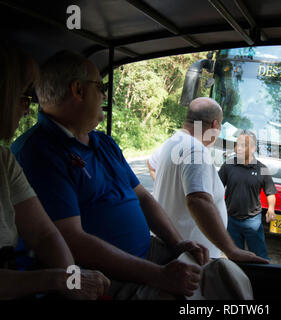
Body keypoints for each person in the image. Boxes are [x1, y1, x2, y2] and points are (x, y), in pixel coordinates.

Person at [11, 51, 209, 300]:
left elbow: (143, 198)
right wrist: (159, 275)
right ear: (78, 90)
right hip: (105, 276)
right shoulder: (38, 153)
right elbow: (72, 240)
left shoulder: (103, 142)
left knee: (219, 276)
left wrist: (177, 243)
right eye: (100, 86)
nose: (105, 94)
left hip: (148, 255)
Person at [0, 44, 109, 300]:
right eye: (23, 96)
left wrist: (72, 280)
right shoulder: (33, 151)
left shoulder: (4, 160)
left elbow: (44, 233)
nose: (27, 109)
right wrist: (60, 279)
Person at [153, 97, 269, 263]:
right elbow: (198, 200)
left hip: (171, 249)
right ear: (215, 125)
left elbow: (152, 167)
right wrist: (232, 250)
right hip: (189, 257)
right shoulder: (196, 151)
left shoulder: (172, 143)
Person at [218, 130, 277, 260]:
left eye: (243, 145)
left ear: (253, 148)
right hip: (231, 219)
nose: (238, 148)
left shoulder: (262, 169)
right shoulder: (228, 165)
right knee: (235, 257)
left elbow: (270, 192)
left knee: (260, 257)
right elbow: (216, 187)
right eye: (237, 144)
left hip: (253, 221)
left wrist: (271, 209)